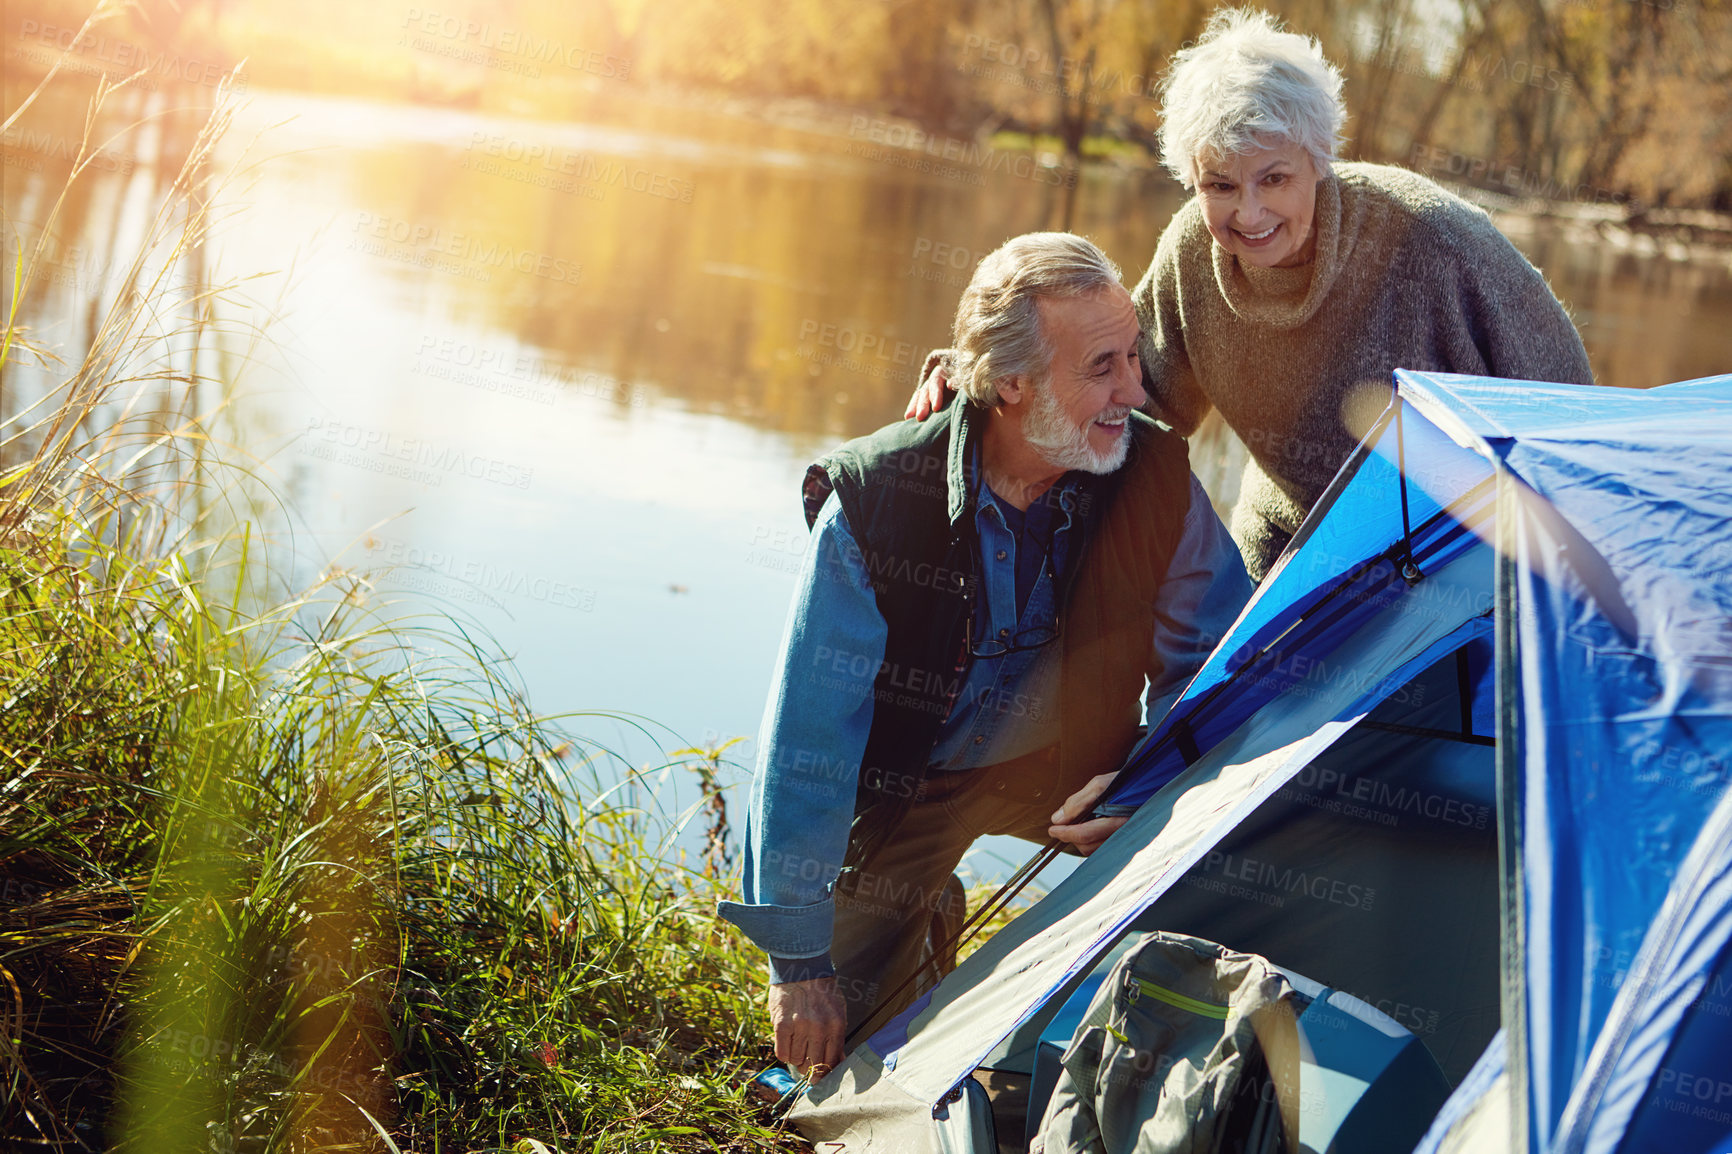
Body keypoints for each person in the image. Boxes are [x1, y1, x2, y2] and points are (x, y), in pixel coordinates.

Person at [717, 233, 1253, 1078]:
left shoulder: (1152, 475)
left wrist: (1149, 788)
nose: (1136, 389)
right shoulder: (877, 503)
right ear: (1013, 385)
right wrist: (797, 965)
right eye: (1102, 367)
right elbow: (808, 747)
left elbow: (1216, 668)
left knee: (1208, 909)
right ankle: (920, 912)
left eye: (1132, 356)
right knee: (840, 1058)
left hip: (1074, 773)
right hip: (910, 788)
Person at [911, 8, 1594, 581]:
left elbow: (1570, 411)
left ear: (1318, 160)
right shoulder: (1192, 253)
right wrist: (989, 368)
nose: (1248, 214)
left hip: (1456, 555)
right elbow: (1127, 394)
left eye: (1274, 179)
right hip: (1287, 547)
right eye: (1221, 186)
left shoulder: (1435, 240)